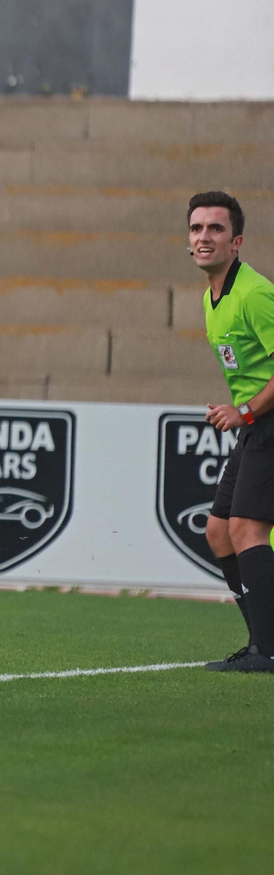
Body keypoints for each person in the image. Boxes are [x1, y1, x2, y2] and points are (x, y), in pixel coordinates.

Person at [189, 191, 274, 673]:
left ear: (236, 241)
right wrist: (240, 413)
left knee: (247, 529)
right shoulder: (211, 297)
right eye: (197, 228)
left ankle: (271, 649)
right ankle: (263, 640)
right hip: (255, 424)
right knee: (219, 532)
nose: (204, 237)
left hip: (266, 421)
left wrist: (243, 411)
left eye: (215, 229)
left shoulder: (255, 293)